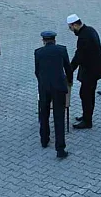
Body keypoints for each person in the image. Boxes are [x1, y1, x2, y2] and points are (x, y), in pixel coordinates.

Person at [35, 31, 73, 159]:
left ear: (43, 41)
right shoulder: (62, 50)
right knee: (59, 117)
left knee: (44, 113)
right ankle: (60, 149)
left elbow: (37, 71)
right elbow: (68, 68)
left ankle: (44, 140)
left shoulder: (38, 52)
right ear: (54, 40)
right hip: (59, 87)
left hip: (44, 88)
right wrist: (69, 82)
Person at [67, 14, 101, 129]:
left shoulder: (83, 37)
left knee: (86, 95)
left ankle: (87, 121)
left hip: (90, 71)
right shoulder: (90, 30)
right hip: (95, 69)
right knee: (88, 94)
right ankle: (86, 116)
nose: (71, 30)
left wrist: (70, 69)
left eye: (71, 28)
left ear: (75, 25)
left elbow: (79, 55)